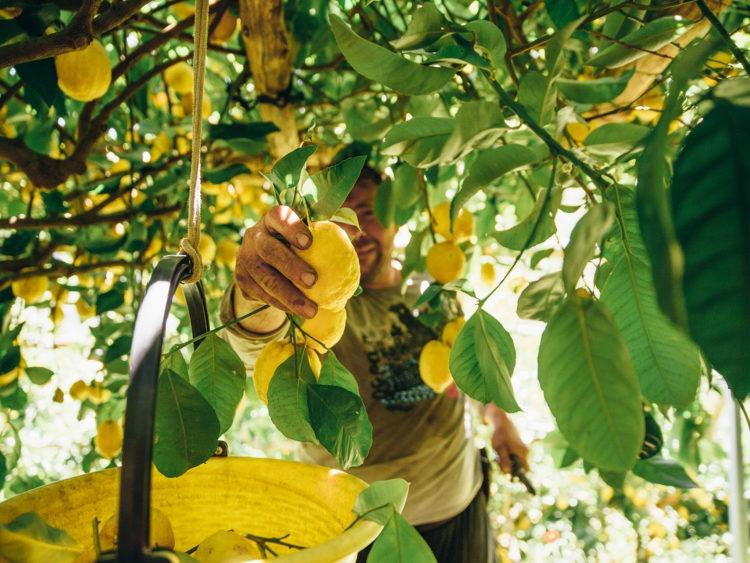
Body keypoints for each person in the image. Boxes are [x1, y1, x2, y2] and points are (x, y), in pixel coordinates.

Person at [220, 165, 529, 562]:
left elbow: (463, 372)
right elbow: (256, 340)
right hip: (366, 532)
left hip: (461, 507)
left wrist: (500, 419)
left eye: (368, 212)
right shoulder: (316, 307)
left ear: (394, 219)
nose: (357, 231)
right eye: (342, 218)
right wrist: (257, 289)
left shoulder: (432, 289)